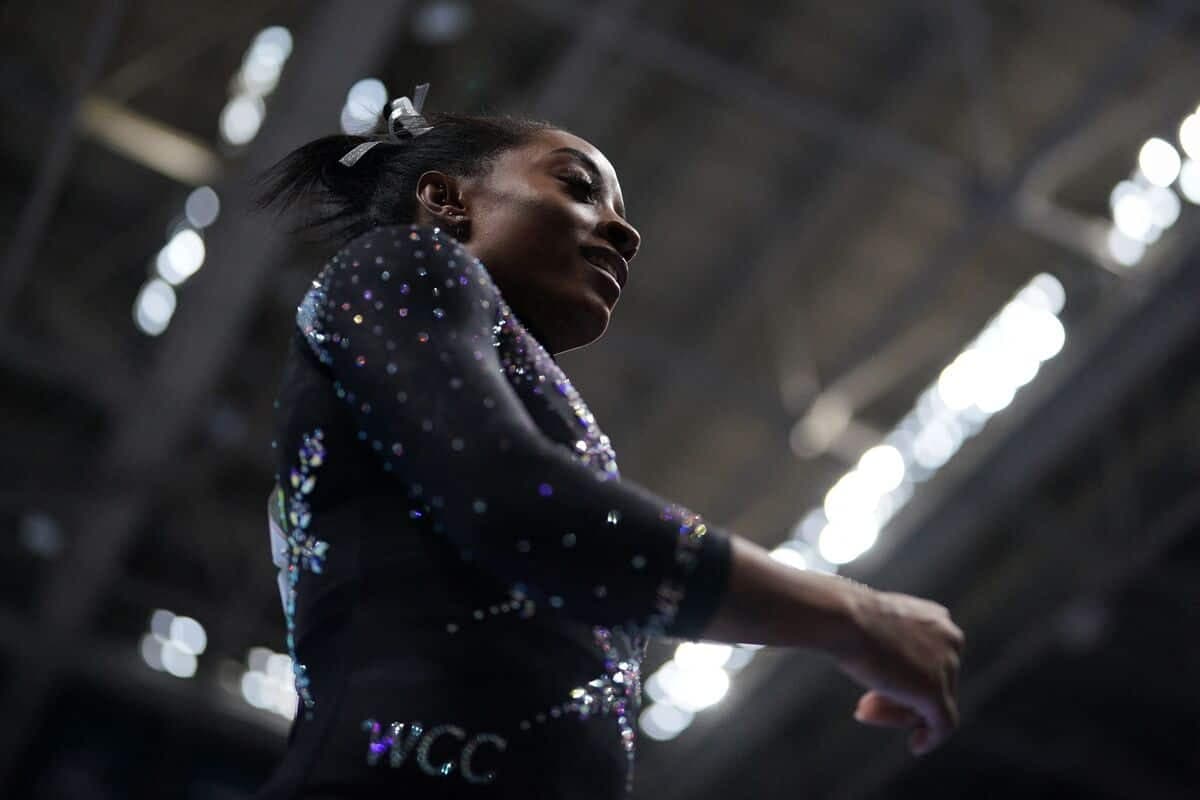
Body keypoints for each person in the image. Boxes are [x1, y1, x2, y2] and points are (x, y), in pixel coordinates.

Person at [254, 84, 964, 799]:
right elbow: (518, 501)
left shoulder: (517, 395)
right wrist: (852, 616)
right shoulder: (402, 262)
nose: (626, 233)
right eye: (577, 186)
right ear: (446, 200)